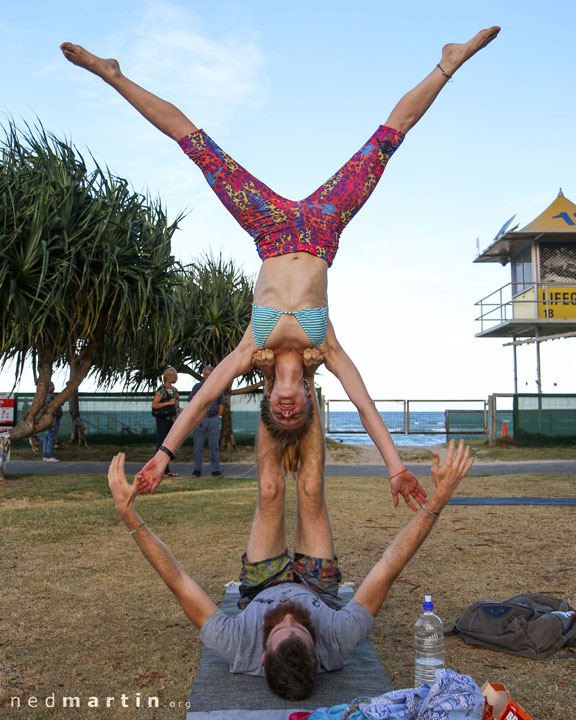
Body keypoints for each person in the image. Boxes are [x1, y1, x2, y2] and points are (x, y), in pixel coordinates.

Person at [62, 26, 498, 501]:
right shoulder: (324, 346)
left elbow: (204, 398)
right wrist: (395, 468)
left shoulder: (252, 347)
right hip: (321, 229)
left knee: (196, 145)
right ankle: (448, 63)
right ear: (307, 399)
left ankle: (112, 76)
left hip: (268, 229)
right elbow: (366, 404)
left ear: (269, 398)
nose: (287, 408)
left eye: (279, 412)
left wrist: (164, 454)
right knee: (387, 140)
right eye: (296, 413)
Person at [108, 378, 474, 701]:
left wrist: (130, 517)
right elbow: (389, 567)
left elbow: (178, 580)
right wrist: (436, 504)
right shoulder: (339, 639)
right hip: (317, 586)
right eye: (297, 628)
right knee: (311, 489)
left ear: (262, 655)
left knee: (270, 490)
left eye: (277, 630)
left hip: (259, 584)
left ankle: (273, 383)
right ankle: (304, 381)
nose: (285, 616)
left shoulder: (237, 646)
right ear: (317, 655)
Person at [188, 365, 225, 478]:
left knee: (214, 446)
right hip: (200, 420)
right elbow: (191, 402)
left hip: (213, 419)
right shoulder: (197, 387)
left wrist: (218, 417)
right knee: (198, 446)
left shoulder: (217, 387)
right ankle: (197, 470)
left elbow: (221, 403)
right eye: (205, 374)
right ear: (203, 375)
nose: (207, 376)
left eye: (209, 374)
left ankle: (215, 470)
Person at [151, 367, 182, 478]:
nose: (171, 376)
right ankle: (158, 470)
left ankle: (166, 470)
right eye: (169, 374)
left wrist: (183, 411)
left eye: (173, 374)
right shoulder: (162, 390)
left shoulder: (175, 390)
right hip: (163, 420)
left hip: (172, 420)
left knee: (169, 445)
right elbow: (154, 405)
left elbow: (176, 407)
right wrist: (168, 402)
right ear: (165, 376)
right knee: (161, 445)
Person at [36, 382, 63, 463]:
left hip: (50, 420)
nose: (53, 387)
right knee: (51, 437)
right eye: (51, 386)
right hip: (52, 419)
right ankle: (49, 455)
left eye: (53, 386)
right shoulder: (48, 397)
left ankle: (45, 455)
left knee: (47, 437)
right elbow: (49, 408)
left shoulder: (46, 397)